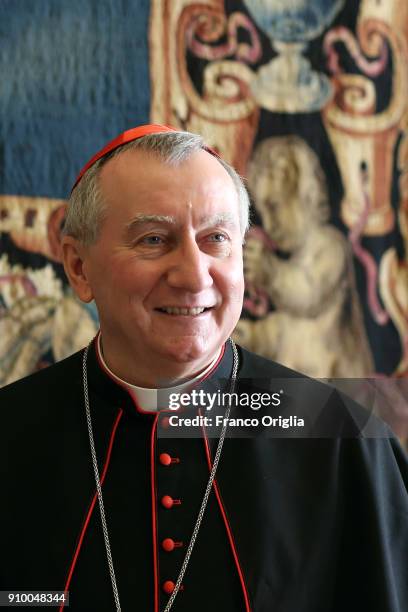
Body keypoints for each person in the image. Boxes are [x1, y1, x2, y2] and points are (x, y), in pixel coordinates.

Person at [0, 124, 407, 612]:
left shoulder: (348, 443)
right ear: (78, 267)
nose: (194, 275)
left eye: (216, 238)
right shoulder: (12, 432)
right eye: (153, 239)